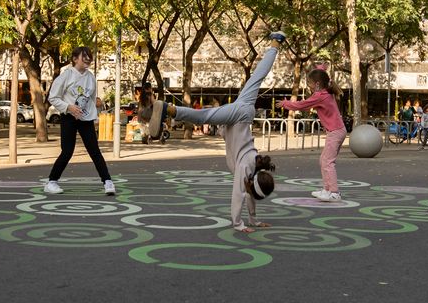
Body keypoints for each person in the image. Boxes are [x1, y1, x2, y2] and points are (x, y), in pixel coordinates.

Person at [140, 32, 286, 231]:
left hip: (244, 112)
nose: (249, 190)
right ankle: (168, 109)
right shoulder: (246, 169)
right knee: (203, 117)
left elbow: (249, 193)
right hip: (240, 116)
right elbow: (240, 194)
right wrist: (239, 224)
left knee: (257, 77)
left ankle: (275, 43)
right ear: (253, 183)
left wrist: (254, 220)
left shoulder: (254, 168)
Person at [43, 46, 116, 196]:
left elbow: (90, 100)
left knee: (94, 151)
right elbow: (53, 97)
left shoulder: (90, 77)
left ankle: (107, 181)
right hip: (69, 118)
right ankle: (52, 182)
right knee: (67, 151)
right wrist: (68, 107)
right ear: (75, 59)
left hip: (85, 119)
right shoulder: (66, 76)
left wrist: (95, 111)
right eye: (85, 56)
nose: (88, 59)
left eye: (90, 56)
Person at [279, 66, 346, 202]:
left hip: (335, 132)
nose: (308, 87)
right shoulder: (326, 92)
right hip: (337, 131)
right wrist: (320, 69)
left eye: (309, 84)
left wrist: (286, 103)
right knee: (324, 160)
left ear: (316, 84)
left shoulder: (320, 96)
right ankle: (327, 190)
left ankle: (334, 192)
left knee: (327, 162)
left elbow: (302, 105)